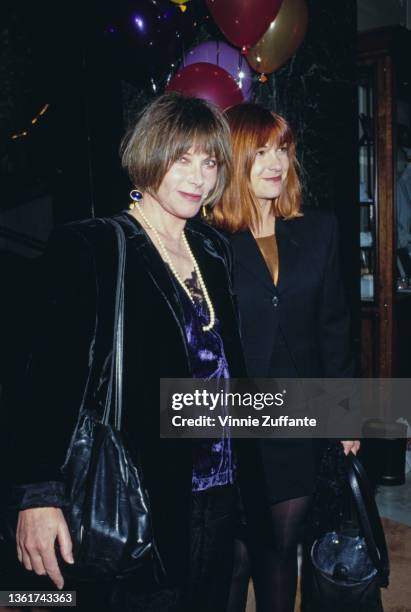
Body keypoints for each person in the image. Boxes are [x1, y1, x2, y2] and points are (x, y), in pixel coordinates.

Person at [10, 93, 247, 612]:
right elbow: (47, 378)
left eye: (209, 161)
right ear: (149, 155)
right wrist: (38, 494)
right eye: (181, 157)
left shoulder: (211, 249)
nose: (198, 176)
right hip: (138, 491)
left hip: (218, 488)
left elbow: (229, 367)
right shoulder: (94, 245)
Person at [211, 102, 360, 612]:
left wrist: (347, 414)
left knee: (279, 549)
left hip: (300, 420)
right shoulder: (207, 242)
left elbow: (335, 329)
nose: (275, 162)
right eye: (259, 151)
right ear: (233, 160)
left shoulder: (319, 230)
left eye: (282, 149)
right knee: (232, 558)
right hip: (234, 424)